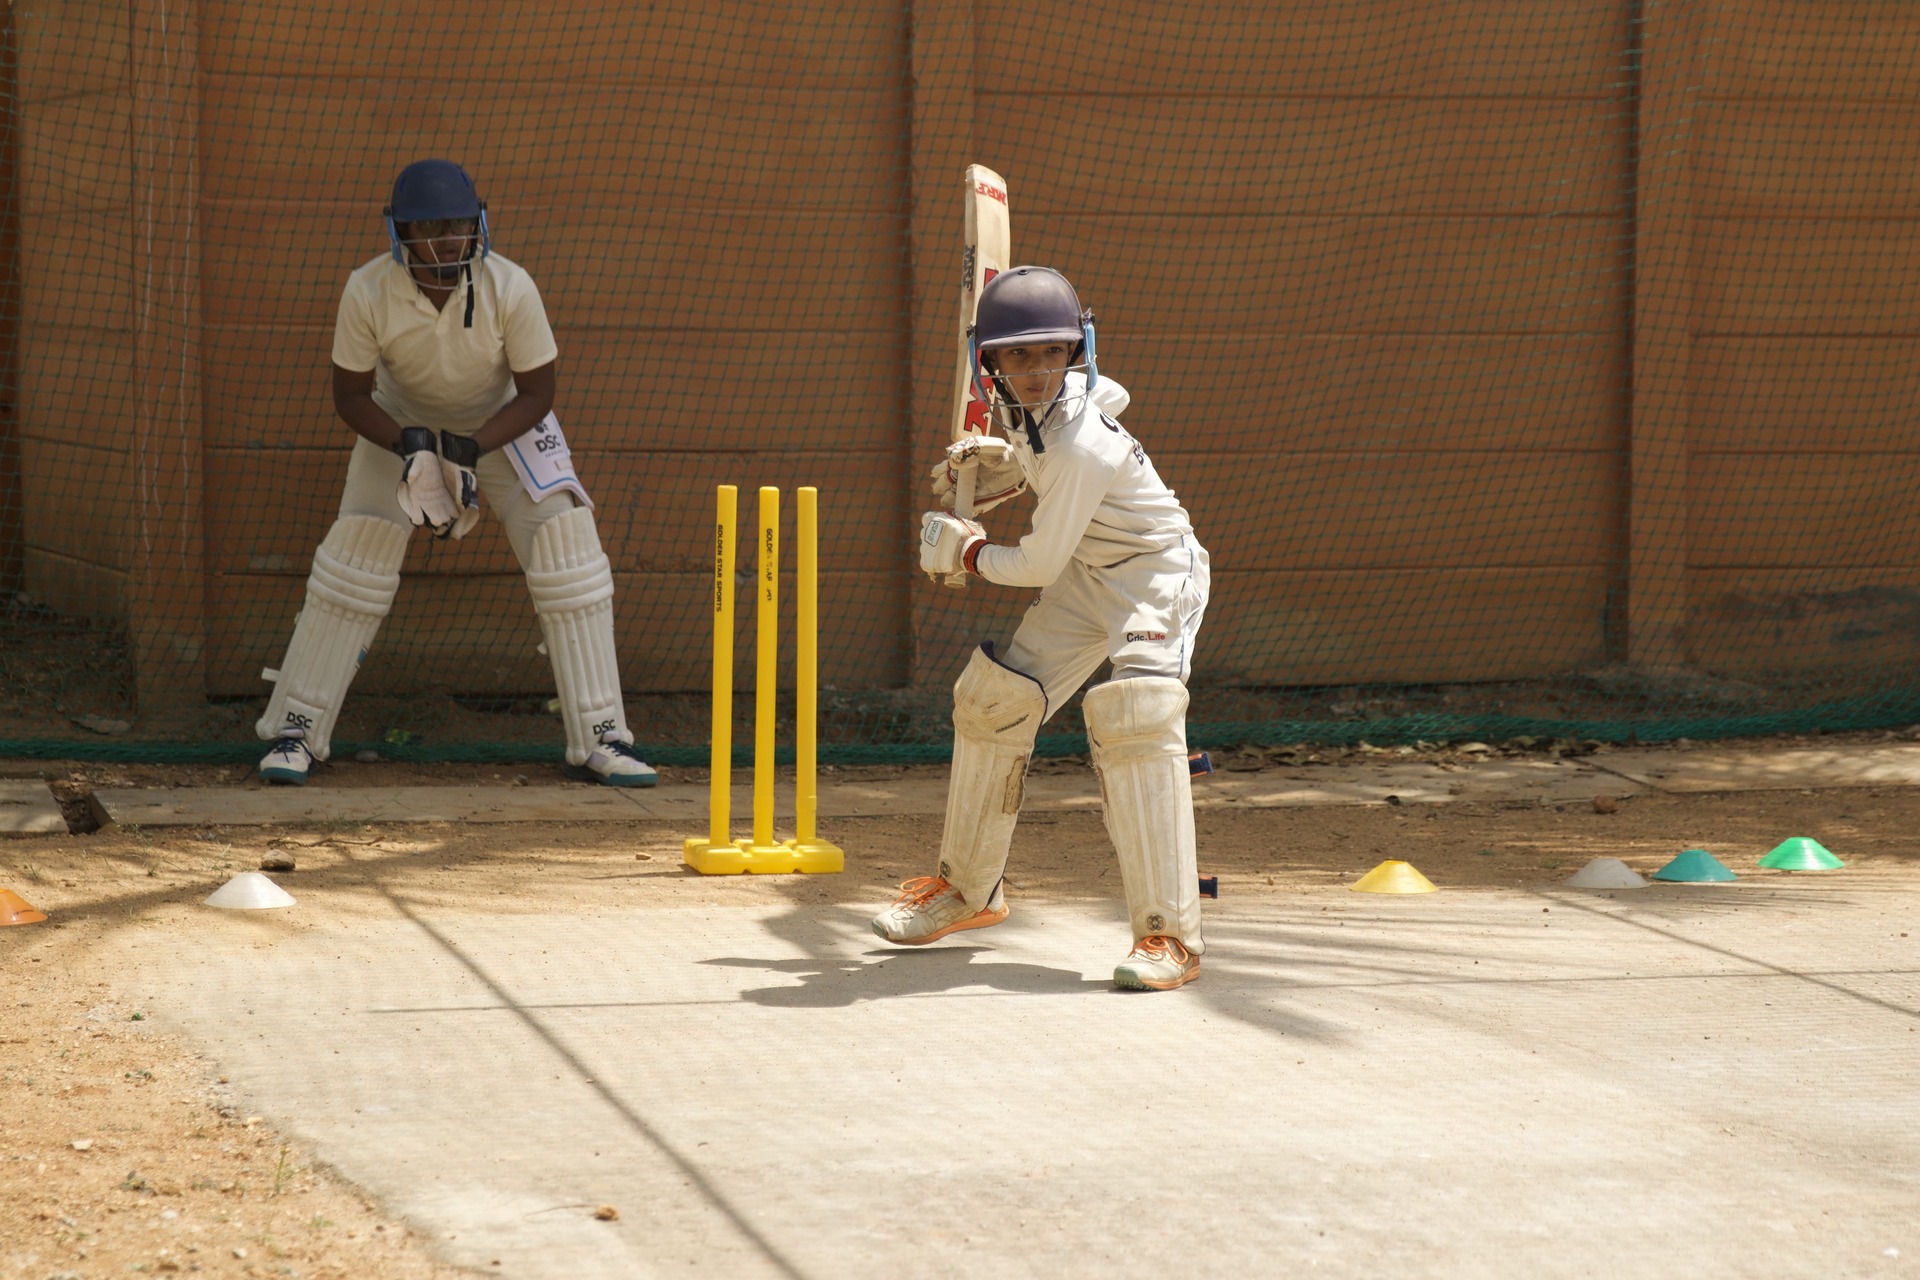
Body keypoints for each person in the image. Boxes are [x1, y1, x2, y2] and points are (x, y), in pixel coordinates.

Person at [253, 158, 654, 789]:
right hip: (398, 425)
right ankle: (297, 730)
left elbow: (538, 392)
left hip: (500, 425)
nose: (449, 239)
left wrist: (468, 449)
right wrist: (410, 446)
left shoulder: (510, 286)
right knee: (356, 553)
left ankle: (604, 736)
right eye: (432, 226)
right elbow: (351, 395)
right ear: (401, 234)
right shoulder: (367, 289)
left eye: (460, 224)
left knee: (568, 545)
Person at [872, 266, 1211, 990]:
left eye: (1052, 353)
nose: (1036, 370)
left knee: (1136, 719)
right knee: (992, 699)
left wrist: (966, 551)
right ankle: (968, 892)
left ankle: (1169, 938)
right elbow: (1103, 400)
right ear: (987, 362)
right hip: (1092, 574)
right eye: (1017, 355)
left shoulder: (1081, 441)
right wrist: (1014, 466)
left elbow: (1036, 560)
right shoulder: (1039, 409)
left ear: (1075, 348)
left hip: (1154, 575)